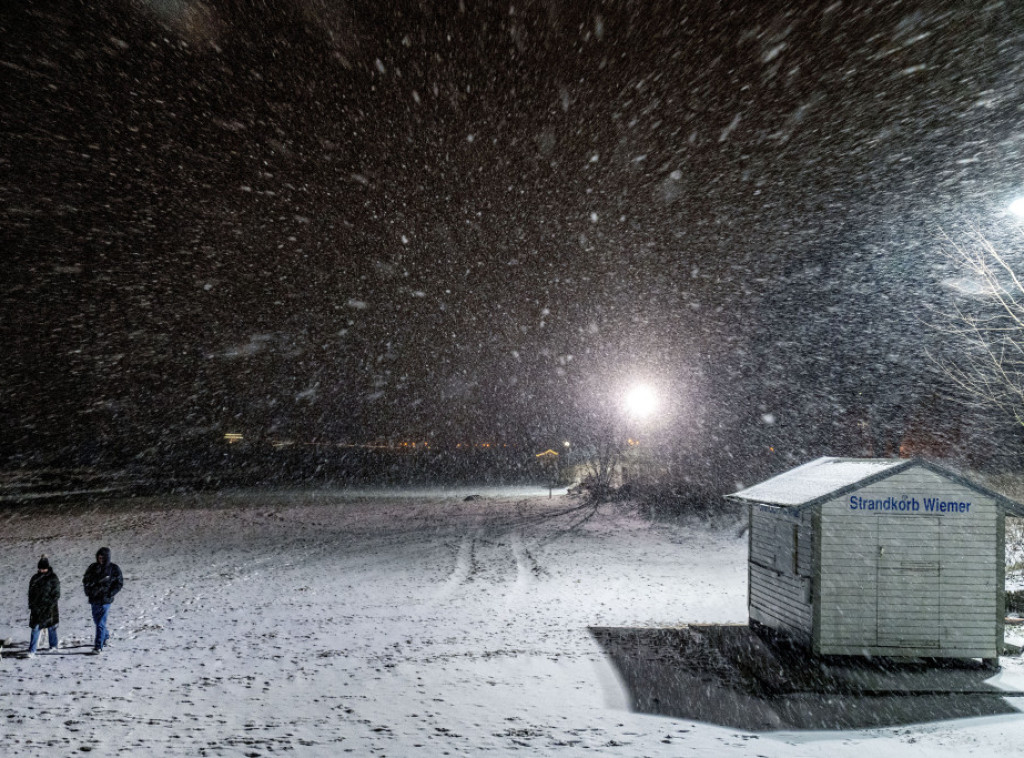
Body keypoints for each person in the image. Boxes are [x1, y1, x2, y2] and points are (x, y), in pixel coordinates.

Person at [82, 547, 123, 654]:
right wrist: (88, 591)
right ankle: (106, 636)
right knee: (97, 621)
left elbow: (119, 583)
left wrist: (110, 593)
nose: (100, 559)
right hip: (94, 598)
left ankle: (98, 647)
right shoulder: (92, 567)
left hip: (105, 600)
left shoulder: (114, 568)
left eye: (102, 558)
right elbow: (85, 579)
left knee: (100, 622)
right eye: (99, 557)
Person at [27, 555, 60, 657]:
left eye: (44, 568)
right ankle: (32, 650)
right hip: (37, 609)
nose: (42, 570)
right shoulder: (35, 578)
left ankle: (53, 645)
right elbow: (31, 593)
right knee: (35, 628)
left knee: (51, 627)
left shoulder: (53, 578)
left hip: (49, 608)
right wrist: (32, 605)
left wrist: (48, 604)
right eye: (40, 568)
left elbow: (56, 594)